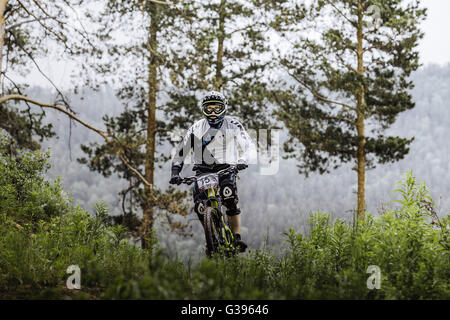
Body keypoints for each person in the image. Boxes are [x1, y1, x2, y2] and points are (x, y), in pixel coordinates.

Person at [169, 91, 256, 254]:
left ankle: (236, 238)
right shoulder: (196, 127)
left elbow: (248, 145)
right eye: (209, 109)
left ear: (224, 108)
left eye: (217, 108)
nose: (213, 113)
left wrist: (244, 160)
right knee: (201, 208)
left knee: (228, 196)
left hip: (227, 167)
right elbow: (181, 150)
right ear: (203, 110)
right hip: (202, 170)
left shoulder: (233, 124)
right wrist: (175, 171)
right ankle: (212, 240)